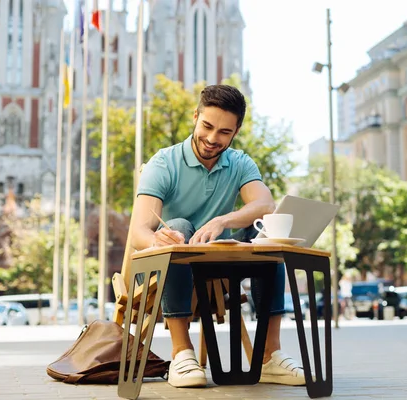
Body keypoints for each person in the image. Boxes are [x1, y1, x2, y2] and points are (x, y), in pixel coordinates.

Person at [130, 85, 305, 388]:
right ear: (195, 116)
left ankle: (269, 357)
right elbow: (138, 232)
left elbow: (265, 204)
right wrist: (159, 240)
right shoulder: (163, 163)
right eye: (207, 126)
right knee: (180, 225)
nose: (212, 139)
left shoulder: (239, 163)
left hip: (220, 261)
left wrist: (222, 220)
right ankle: (182, 354)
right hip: (173, 265)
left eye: (224, 132)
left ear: (235, 131)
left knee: (269, 237)